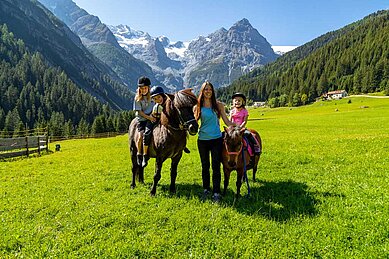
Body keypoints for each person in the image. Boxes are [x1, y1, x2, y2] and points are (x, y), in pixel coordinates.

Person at [194, 81, 234, 202]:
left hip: (217, 139)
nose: (208, 91)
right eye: (205, 89)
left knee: (216, 165)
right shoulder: (197, 107)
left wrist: (238, 126)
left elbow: (227, 122)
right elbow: (194, 124)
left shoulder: (218, 105)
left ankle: (216, 192)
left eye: (210, 89)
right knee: (205, 166)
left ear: (213, 91)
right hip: (202, 140)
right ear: (202, 91)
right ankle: (206, 189)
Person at [133, 76, 155, 167]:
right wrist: (149, 118)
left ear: (148, 88)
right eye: (141, 88)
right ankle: (141, 154)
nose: (143, 90)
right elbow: (139, 112)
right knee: (141, 135)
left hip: (152, 118)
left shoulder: (152, 96)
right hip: (142, 119)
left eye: (145, 88)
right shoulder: (137, 98)